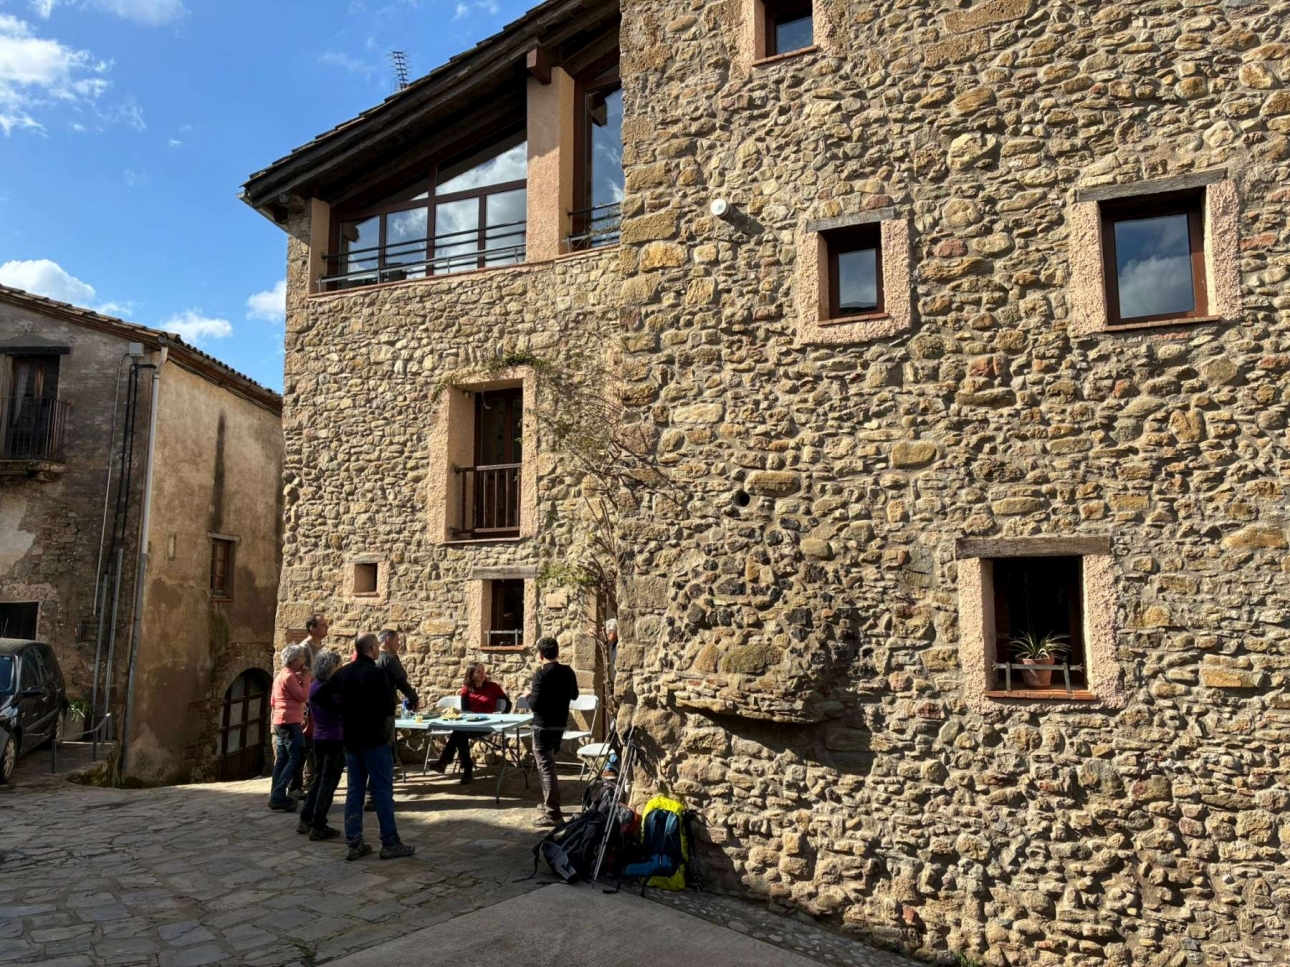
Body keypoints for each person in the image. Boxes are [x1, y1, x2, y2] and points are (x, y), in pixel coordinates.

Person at [319, 633, 414, 861]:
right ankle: (390, 842)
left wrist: (342, 711)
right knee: (382, 791)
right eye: (376, 647)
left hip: (352, 739)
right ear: (372, 649)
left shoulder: (344, 672)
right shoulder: (377, 674)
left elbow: (319, 696)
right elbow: (388, 707)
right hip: (375, 738)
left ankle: (354, 842)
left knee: (355, 791)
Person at [526, 636, 578, 827]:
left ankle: (553, 813)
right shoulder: (568, 671)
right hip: (559, 725)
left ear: (540, 655)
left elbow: (534, 705)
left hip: (542, 726)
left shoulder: (541, 674)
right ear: (557, 652)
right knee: (549, 766)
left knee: (546, 768)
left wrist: (528, 694)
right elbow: (574, 695)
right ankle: (549, 804)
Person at [365, 629, 418, 811]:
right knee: (384, 754)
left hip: (367, 714)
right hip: (384, 714)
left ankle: (370, 796)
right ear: (388, 640)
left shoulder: (369, 661)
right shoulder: (388, 659)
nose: (399, 644)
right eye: (397, 640)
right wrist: (414, 699)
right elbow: (402, 682)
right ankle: (376, 797)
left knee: (371, 754)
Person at [431, 663, 508, 784]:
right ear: (471, 675)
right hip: (470, 724)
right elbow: (465, 710)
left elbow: (508, 703)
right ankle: (466, 769)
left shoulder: (493, 687)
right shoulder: (466, 689)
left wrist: (502, 717)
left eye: (483, 671)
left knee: (459, 732)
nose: (482, 673)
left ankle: (448, 762)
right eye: (478, 671)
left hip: (487, 725)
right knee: (460, 732)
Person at [297, 649, 344, 841]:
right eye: (338, 666)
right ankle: (318, 824)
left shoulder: (316, 685)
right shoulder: (325, 689)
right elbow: (339, 710)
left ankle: (306, 818)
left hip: (320, 737)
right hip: (333, 738)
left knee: (318, 779)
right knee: (328, 782)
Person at [268, 644, 311, 811]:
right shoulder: (289, 677)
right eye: (301, 657)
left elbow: (273, 701)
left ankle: (275, 794)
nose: (303, 660)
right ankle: (278, 795)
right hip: (290, 722)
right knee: (295, 757)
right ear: (293, 660)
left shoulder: (281, 676)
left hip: (280, 721)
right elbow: (303, 696)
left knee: (283, 759)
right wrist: (306, 678)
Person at [293, 614, 329, 796]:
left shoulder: (321, 648)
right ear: (312, 628)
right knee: (305, 745)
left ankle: (313, 779)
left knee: (316, 744)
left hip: (320, 702)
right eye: (322, 625)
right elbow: (299, 676)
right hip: (308, 705)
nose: (326, 628)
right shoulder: (304, 649)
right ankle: (298, 785)